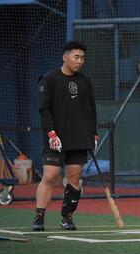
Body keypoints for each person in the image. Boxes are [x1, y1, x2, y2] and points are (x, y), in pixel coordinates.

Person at [32, 41, 98, 231]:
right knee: (50, 175)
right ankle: (39, 217)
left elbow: (91, 109)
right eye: (76, 57)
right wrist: (51, 133)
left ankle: (67, 217)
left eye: (82, 58)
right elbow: (44, 109)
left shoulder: (85, 81)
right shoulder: (49, 79)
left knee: (74, 178)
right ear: (65, 57)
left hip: (78, 138)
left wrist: (93, 133)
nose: (80, 61)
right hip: (56, 138)